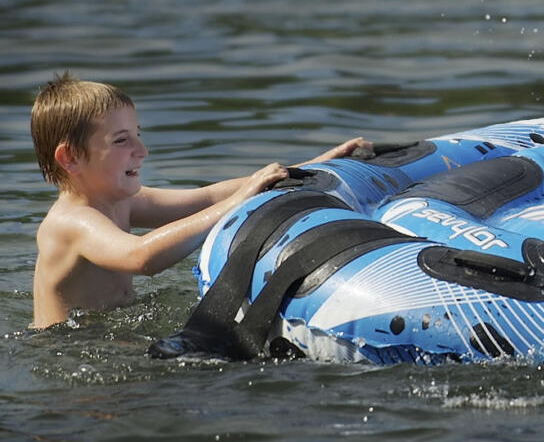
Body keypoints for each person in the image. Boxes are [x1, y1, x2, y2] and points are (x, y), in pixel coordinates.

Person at [29, 72, 369, 328]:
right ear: (70, 157)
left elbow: (206, 197)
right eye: (121, 141)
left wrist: (310, 168)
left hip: (109, 332)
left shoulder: (120, 201)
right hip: (67, 345)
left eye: (138, 135)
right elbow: (141, 257)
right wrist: (238, 201)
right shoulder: (70, 223)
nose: (141, 151)